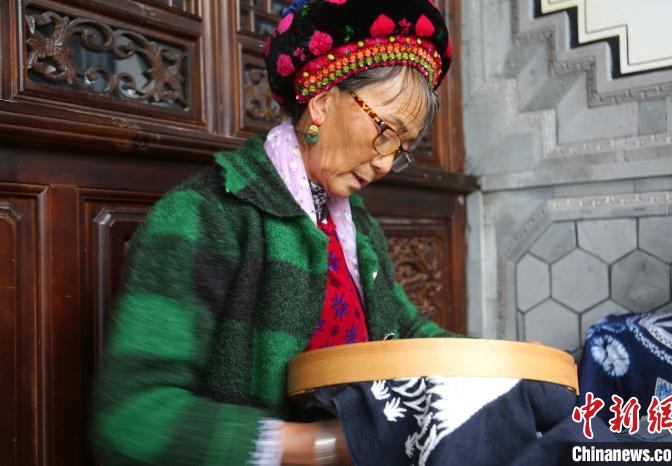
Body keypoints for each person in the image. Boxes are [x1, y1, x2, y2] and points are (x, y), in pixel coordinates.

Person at [90, 0, 459, 464]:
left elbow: (406, 331)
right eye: (385, 131)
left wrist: (509, 367)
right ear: (322, 102)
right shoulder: (206, 215)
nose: (386, 162)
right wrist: (329, 445)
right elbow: (129, 415)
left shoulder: (354, 226)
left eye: (400, 148)